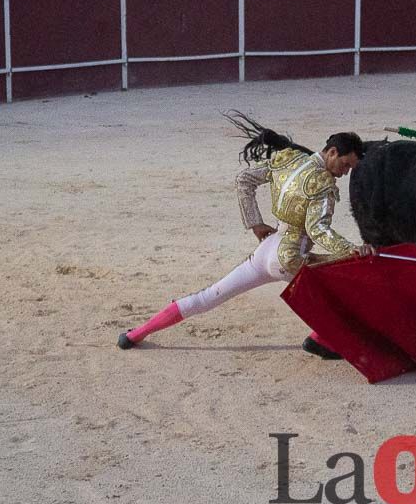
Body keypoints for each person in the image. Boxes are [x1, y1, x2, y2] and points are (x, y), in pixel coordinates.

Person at [118, 117, 375, 357]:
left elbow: (244, 180)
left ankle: (134, 335)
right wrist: (351, 250)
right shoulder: (323, 185)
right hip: (291, 257)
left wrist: (255, 223)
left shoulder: (290, 159)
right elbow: (318, 229)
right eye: (345, 165)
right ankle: (322, 340)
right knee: (345, 281)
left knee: (207, 297)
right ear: (332, 152)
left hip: (266, 250)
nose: (345, 173)